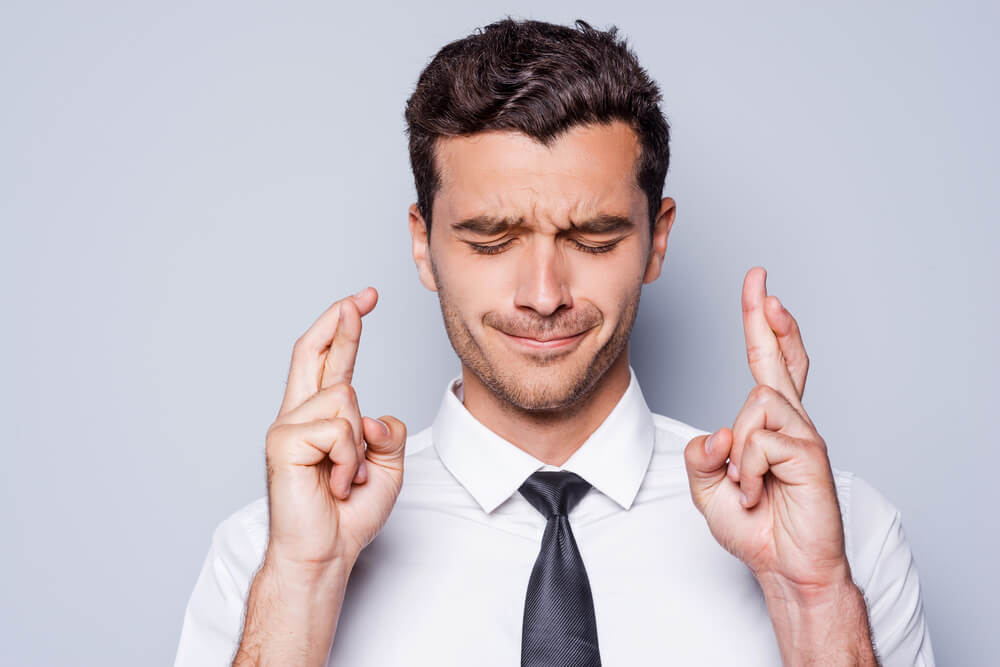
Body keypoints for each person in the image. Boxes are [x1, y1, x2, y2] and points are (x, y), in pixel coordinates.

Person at [173, 17, 934, 667]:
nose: (544, 294)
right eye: (490, 238)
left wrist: (811, 598)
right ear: (422, 245)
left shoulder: (841, 542)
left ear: (656, 240)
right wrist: (304, 583)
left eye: (595, 237)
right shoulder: (264, 561)